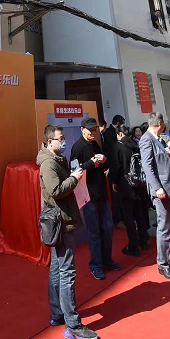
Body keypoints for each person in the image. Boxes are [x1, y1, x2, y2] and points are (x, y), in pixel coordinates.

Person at [37, 125, 98, 339]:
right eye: (60, 138)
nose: (63, 141)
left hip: (61, 219)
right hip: (60, 222)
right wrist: (73, 178)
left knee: (57, 268)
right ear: (49, 141)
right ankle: (72, 324)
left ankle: (57, 313)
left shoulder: (56, 159)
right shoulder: (48, 164)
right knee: (67, 272)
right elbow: (56, 191)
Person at [139, 111, 170, 280]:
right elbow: (147, 166)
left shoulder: (158, 139)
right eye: (164, 122)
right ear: (159, 124)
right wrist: (157, 188)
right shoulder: (146, 139)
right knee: (165, 227)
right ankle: (163, 264)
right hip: (161, 190)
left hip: (169, 188)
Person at [70, 117, 121, 280]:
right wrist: (90, 163)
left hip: (101, 194)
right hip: (88, 196)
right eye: (90, 130)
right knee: (94, 232)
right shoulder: (78, 147)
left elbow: (103, 166)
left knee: (108, 228)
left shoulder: (95, 144)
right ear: (82, 130)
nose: (93, 133)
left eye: (95, 130)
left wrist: (104, 161)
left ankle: (107, 260)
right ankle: (96, 265)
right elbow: (74, 171)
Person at [112, 124, 149, 256]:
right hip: (140, 184)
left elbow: (116, 167)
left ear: (120, 134)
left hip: (126, 185)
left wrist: (114, 181)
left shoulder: (118, 146)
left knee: (128, 217)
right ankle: (143, 240)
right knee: (140, 214)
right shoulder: (136, 145)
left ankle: (133, 245)